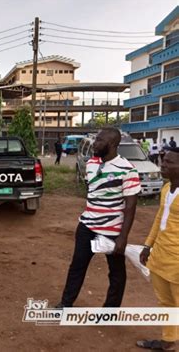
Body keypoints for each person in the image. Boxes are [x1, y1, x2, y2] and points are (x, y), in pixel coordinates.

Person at [56, 128, 140, 308]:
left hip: (113, 231)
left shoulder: (128, 169)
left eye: (99, 140)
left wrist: (123, 237)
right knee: (77, 267)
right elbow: (92, 192)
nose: (94, 144)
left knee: (116, 273)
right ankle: (65, 303)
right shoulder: (92, 163)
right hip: (87, 226)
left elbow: (131, 206)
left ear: (112, 144)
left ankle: (110, 311)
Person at [136, 148, 179, 351]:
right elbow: (158, 220)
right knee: (165, 302)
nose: (163, 165)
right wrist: (147, 246)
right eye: (163, 161)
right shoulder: (166, 189)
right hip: (160, 256)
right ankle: (168, 340)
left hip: (177, 260)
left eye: (169, 162)